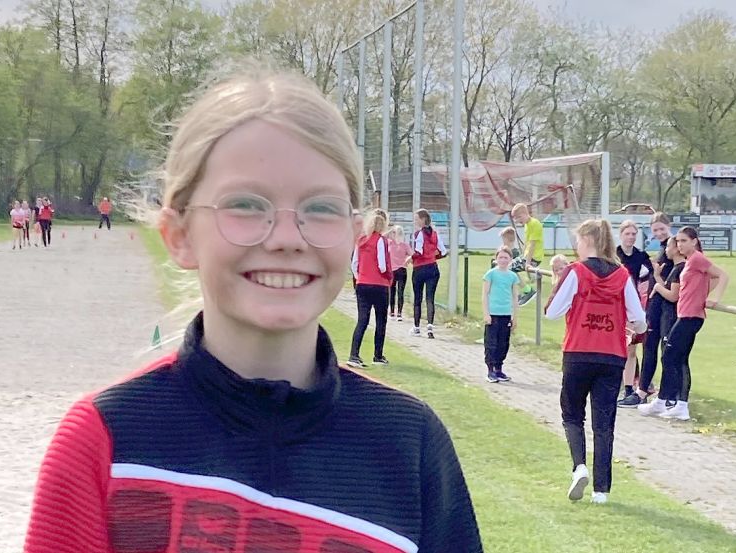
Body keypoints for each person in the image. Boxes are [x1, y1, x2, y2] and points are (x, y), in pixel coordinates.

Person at [24, 67, 482, 552]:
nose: (286, 238)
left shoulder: (410, 444)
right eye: (245, 204)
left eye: (321, 208)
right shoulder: (105, 441)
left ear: (353, 232)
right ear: (179, 235)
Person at [545, 219, 646, 504]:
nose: (576, 246)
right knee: (604, 423)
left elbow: (551, 311)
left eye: (578, 240)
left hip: (579, 351)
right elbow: (640, 319)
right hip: (612, 356)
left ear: (587, 240)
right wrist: (631, 329)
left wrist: (564, 292)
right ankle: (601, 491)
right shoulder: (623, 275)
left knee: (572, 414)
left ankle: (579, 466)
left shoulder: (576, 272)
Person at [639, 227, 730, 421]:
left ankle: (669, 402)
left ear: (694, 241)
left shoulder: (697, 259)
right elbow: (705, 281)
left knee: (670, 357)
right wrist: (702, 293)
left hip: (690, 316)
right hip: (685, 314)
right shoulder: (690, 262)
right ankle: (675, 404)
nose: (680, 245)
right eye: (678, 241)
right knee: (677, 359)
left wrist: (714, 297)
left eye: (683, 241)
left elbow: (721, 275)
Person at [625, 212, 673, 407]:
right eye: (655, 230)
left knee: (665, 351)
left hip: (665, 306)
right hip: (654, 305)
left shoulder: (673, 248)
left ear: (669, 226)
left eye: (662, 229)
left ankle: (662, 394)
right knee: (650, 347)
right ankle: (644, 390)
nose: (659, 233)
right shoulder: (663, 250)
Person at [348, 209, 393, 368]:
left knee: (362, 319)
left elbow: (354, 264)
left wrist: (360, 276)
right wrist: (388, 275)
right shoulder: (380, 240)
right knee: (381, 320)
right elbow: (382, 264)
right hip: (379, 285)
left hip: (362, 283)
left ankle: (354, 354)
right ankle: (377, 355)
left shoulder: (360, 241)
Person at [615, 220, 653, 403]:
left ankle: (629, 388)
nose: (630, 237)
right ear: (621, 235)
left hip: (633, 307)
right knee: (617, 349)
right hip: (615, 307)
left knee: (631, 350)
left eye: (633, 234)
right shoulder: (614, 256)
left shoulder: (641, 257)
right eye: (627, 234)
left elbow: (645, 284)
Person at [482, 246, 521, 383]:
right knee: (491, 342)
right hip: (493, 313)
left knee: (503, 343)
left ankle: (499, 368)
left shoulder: (512, 276)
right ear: (496, 259)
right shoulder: (491, 274)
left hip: (506, 314)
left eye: (506, 257)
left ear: (510, 259)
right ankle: (490, 369)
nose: (503, 260)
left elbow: (515, 297)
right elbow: (485, 294)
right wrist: (486, 314)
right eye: (501, 257)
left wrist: (515, 316)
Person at [410, 208, 447, 339]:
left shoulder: (419, 234)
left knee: (418, 298)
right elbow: (443, 252)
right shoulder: (435, 234)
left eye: (416, 219)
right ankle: (430, 327)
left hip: (420, 268)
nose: (415, 221)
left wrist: (410, 258)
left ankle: (416, 327)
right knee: (430, 298)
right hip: (433, 268)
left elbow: (419, 251)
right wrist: (433, 257)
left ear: (422, 220)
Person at [511, 203, 543, 306]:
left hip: (534, 257)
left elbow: (533, 245)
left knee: (509, 269)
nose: (518, 221)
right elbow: (527, 243)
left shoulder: (535, 224)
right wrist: (522, 257)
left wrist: (527, 263)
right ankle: (525, 290)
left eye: (519, 217)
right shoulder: (527, 225)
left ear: (526, 213)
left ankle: (528, 291)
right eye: (516, 219)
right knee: (507, 268)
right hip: (527, 256)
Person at [388, 225, 412, 321]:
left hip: (397, 270)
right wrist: (408, 260)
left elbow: (412, 255)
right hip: (398, 270)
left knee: (396, 291)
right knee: (396, 291)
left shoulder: (392, 244)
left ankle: (396, 312)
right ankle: (396, 312)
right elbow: (412, 255)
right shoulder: (401, 244)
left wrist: (407, 260)